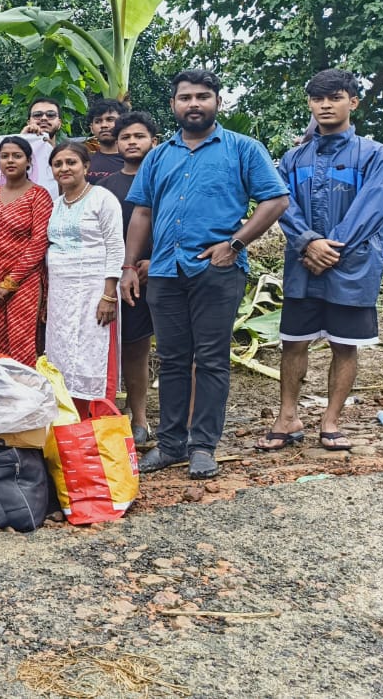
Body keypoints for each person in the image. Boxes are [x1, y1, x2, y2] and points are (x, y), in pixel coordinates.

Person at [121, 68, 289, 480]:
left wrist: (235, 244)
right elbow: (142, 212)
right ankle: (171, 444)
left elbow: (276, 200)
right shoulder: (158, 156)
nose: (193, 104)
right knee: (173, 359)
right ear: (173, 104)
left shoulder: (243, 149)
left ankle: (202, 446)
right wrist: (128, 266)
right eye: (185, 97)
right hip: (163, 271)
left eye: (202, 96)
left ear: (217, 101)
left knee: (211, 359)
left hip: (217, 270)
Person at [258, 70, 383, 453]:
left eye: (335, 97)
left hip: (353, 267)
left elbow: (374, 207)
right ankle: (288, 417)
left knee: (345, 345)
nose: (326, 105)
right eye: (318, 99)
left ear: (353, 102)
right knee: (292, 343)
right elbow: (282, 203)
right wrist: (308, 242)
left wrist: (333, 249)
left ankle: (331, 421)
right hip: (303, 266)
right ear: (310, 105)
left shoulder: (375, 155)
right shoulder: (293, 157)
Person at [44, 142, 125, 404]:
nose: (64, 168)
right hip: (61, 294)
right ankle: (70, 427)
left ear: (86, 166)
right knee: (63, 353)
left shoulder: (102, 199)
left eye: (71, 162)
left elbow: (115, 246)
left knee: (94, 355)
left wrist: (109, 295)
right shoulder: (56, 205)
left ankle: (100, 428)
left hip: (95, 290)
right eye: (58, 164)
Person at [100, 112, 158, 444]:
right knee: (134, 350)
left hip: (164, 274)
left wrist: (157, 259)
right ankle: (138, 419)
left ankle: (187, 424)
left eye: (139, 136)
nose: (132, 142)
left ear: (154, 140)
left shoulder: (165, 177)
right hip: (124, 279)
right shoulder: (105, 187)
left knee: (178, 350)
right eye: (126, 137)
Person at [0, 136, 54, 366]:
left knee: (21, 344)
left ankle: (23, 398)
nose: (10, 161)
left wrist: (8, 284)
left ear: (28, 161)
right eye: (5, 156)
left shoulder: (39, 196)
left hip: (24, 282)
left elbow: (39, 243)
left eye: (17, 156)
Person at [84, 98, 127, 183]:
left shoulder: (134, 162)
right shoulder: (84, 161)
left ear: (123, 123)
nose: (104, 125)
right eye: (98, 121)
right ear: (91, 128)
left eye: (110, 119)